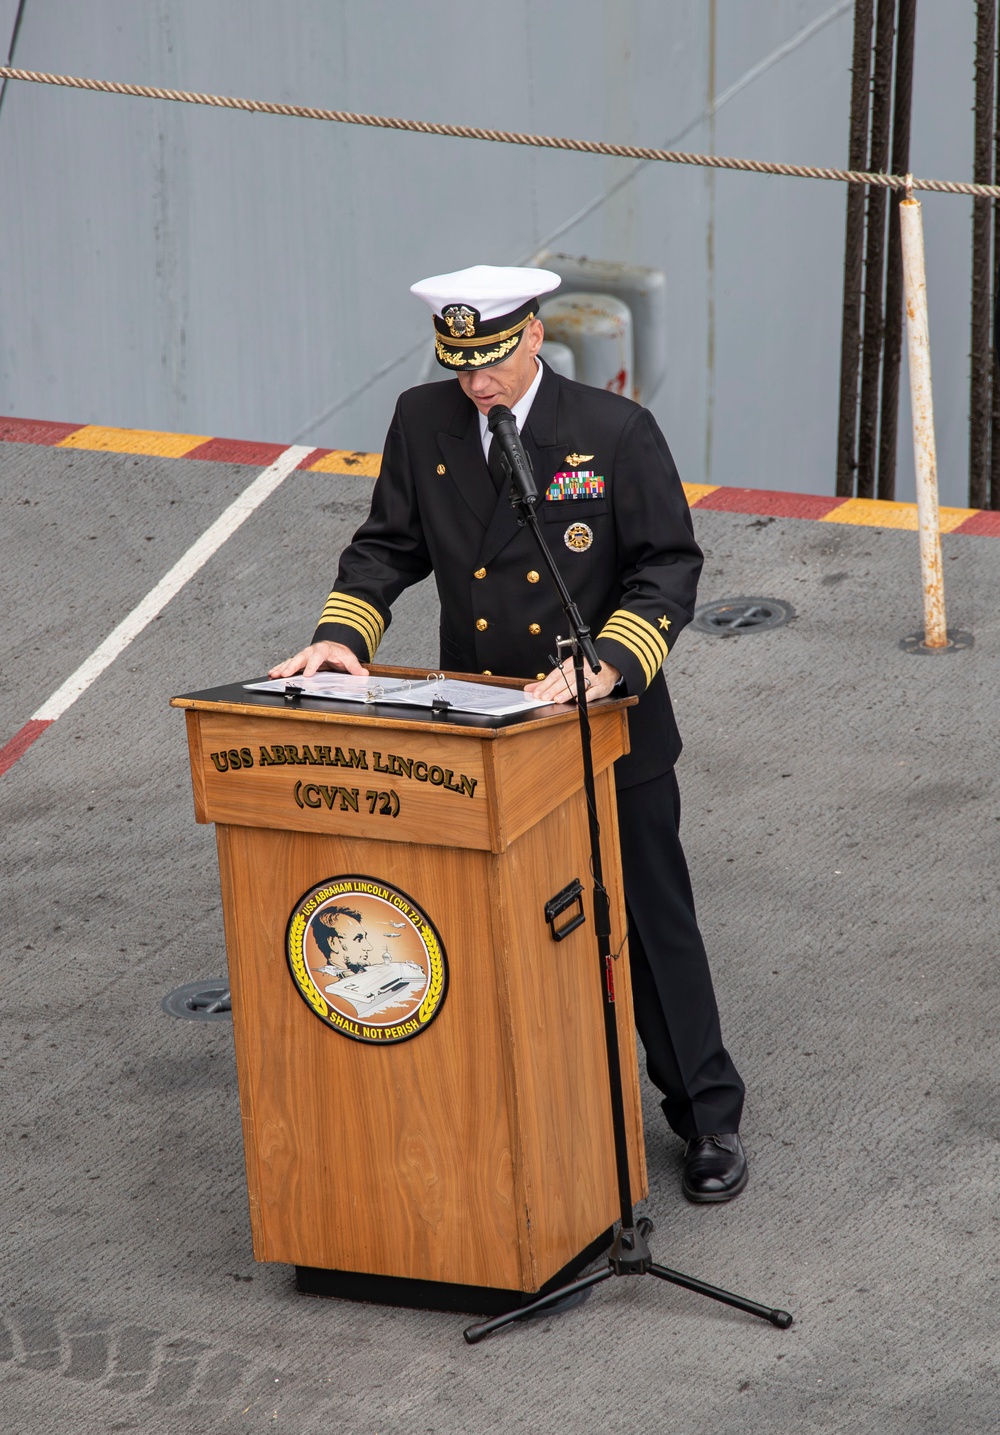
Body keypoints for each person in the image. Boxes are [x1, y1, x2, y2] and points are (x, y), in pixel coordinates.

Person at [271, 265, 747, 1202]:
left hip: (605, 721)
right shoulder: (422, 421)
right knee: (511, 926)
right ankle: (539, 1115)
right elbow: (389, 543)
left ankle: (707, 1117)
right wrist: (340, 635)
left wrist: (610, 661)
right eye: (461, 367)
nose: (476, 386)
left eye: (490, 364)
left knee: (648, 924)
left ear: (534, 336)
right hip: (488, 720)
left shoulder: (612, 433)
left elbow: (668, 565)